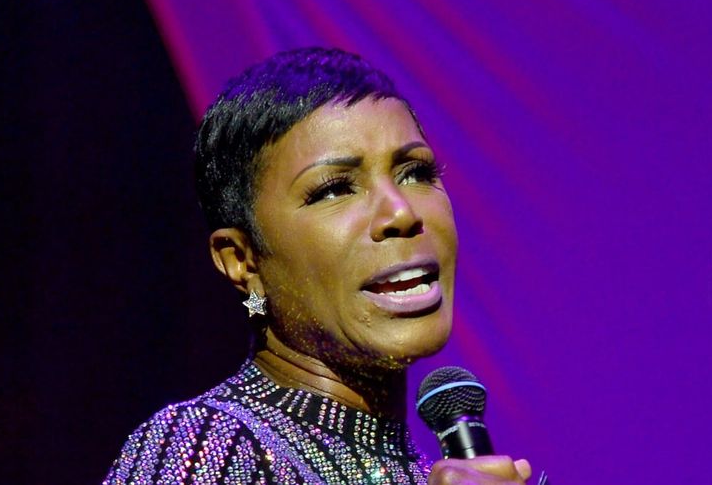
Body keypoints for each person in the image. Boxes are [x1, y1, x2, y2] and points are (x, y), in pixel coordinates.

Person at [103, 48, 532, 484]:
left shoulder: (427, 474)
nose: (402, 212)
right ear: (242, 261)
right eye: (334, 190)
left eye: (415, 173)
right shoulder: (206, 445)